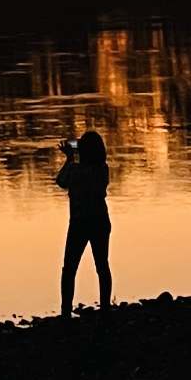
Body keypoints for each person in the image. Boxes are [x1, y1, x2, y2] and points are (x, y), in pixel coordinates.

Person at [57, 128, 112, 317]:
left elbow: (61, 181)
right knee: (102, 265)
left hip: (80, 222)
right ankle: (105, 307)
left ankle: (66, 310)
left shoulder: (75, 170)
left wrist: (69, 159)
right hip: (100, 221)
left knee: (69, 268)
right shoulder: (103, 169)